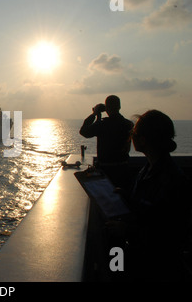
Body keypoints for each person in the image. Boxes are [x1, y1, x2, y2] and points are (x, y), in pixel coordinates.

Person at [121, 110, 191, 281]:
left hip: (158, 267)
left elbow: (165, 231)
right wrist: (126, 195)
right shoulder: (150, 169)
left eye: (134, 133)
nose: (131, 136)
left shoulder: (170, 178)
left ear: (144, 139)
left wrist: (127, 229)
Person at [79, 95, 134, 191]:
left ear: (106, 108)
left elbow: (84, 132)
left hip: (106, 171)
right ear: (119, 107)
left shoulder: (102, 125)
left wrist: (94, 114)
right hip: (123, 169)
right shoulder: (128, 124)